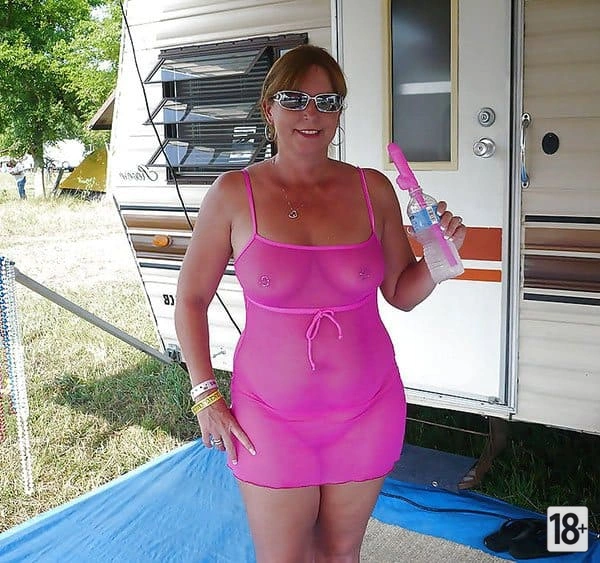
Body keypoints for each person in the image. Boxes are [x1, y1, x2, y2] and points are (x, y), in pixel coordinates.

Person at [174, 44, 466, 563]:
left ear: (338, 113)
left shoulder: (373, 189)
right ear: (269, 108)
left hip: (368, 409)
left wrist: (440, 261)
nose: (311, 114)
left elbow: (400, 292)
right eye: (295, 99)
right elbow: (191, 299)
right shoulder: (233, 193)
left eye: (327, 102)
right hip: (268, 417)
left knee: (340, 554)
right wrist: (206, 396)